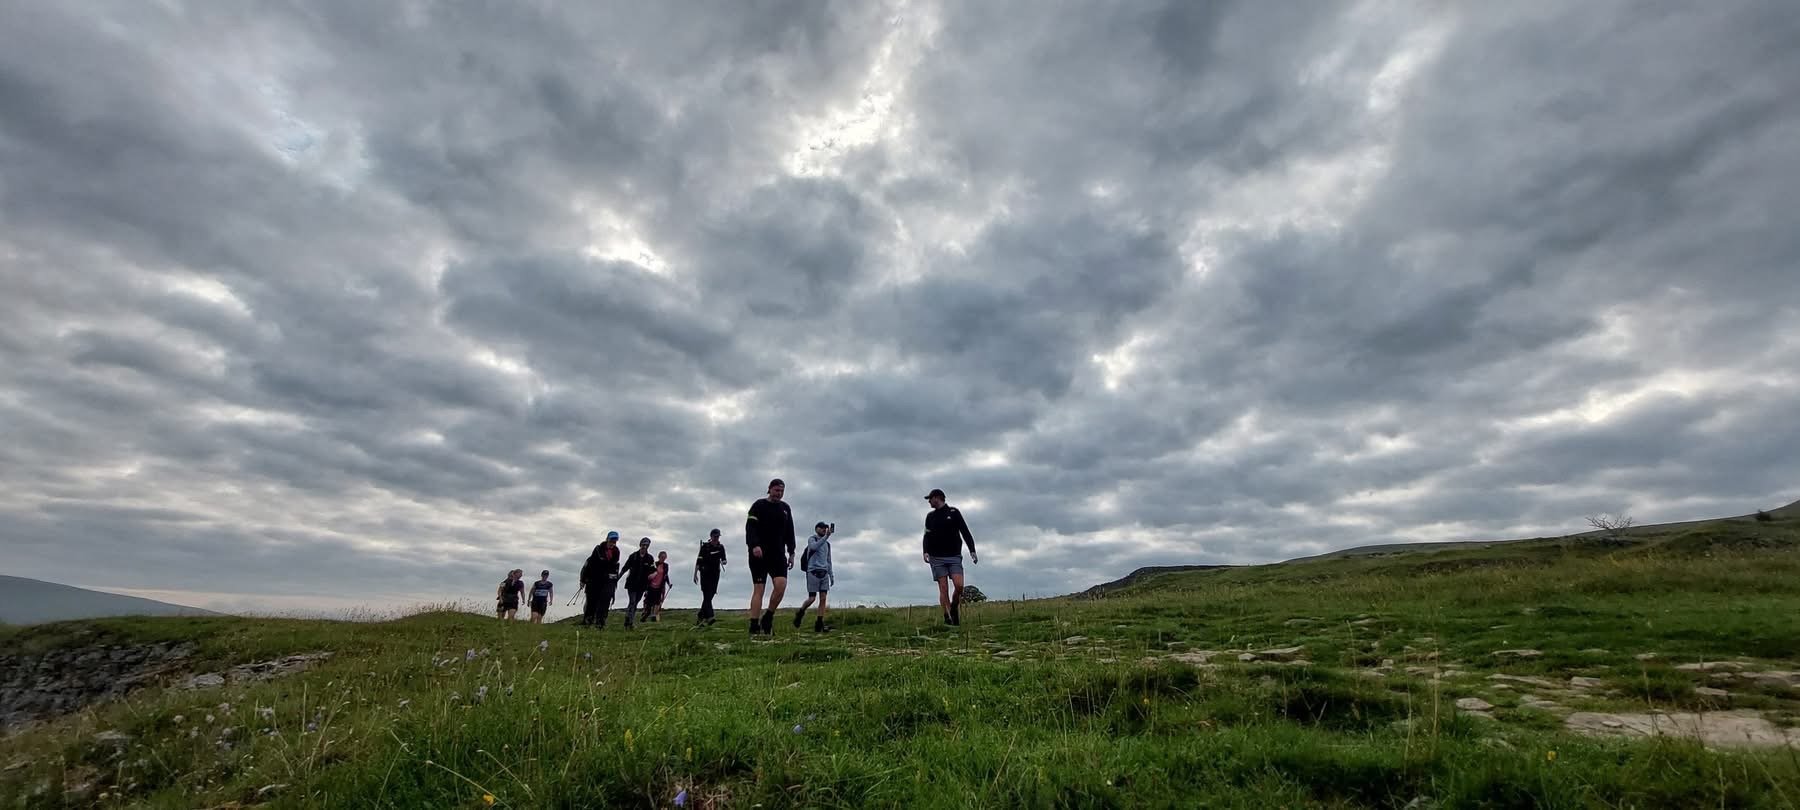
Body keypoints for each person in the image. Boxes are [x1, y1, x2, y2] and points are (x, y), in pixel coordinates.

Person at [745, 478, 796, 636]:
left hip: (778, 554)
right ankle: (754, 626)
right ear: (770, 489)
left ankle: (768, 617)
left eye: (782, 491)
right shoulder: (758, 505)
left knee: (781, 585)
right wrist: (754, 545)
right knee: (759, 589)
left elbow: (790, 531)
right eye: (776, 490)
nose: (779, 494)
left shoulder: (785, 508)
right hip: (759, 554)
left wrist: (792, 552)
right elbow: (750, 528)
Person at [922, 488, 978, 625]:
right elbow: (926, 536)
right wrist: (925, 551)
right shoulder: (930, 516)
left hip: (954, 555)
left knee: (959, 586)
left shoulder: (954, 512)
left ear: (937, 498)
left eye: (930, 499)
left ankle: (953, 607)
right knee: (943, 588)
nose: (929, 502)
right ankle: (948, 617)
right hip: (936, 557)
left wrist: (972, 550)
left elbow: (965, 531)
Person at [793, 521, 835, 633]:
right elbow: (814, 547)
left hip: (824, 572)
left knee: (823, 598)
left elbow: (828, 560)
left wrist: (831, 575)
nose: (824, 530)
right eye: (821, 528)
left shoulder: (827, 544)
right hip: (813, 572)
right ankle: (800, 612)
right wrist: (826, 537)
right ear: (816, 529)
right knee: (812, 598)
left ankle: (819, 624)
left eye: (825, 528)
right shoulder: (812, 539)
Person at [578, 533, 622, 627]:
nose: (612, 543)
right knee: (591, 602)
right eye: (611, 540)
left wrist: (614, 583)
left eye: (614, 541)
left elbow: (615, 568)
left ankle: (600, 623)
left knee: (605, 602)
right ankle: (588, 621)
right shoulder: (598, 549)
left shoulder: (616, 552)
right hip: (594, 580)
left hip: (608, 582)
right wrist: (583, 580)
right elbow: (588, 566)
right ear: (607, 539)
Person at [693, 528, 728, 626]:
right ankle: (710, 617)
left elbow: (724, 559)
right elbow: (698, 561)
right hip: (705, 573)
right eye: (715, 536)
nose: (716, 538)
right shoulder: (705, 547)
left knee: (710, 595)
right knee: (706, 594)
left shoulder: (721, 547)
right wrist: (695, 574)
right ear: (711, 536)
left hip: (715, 574)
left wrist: (724, 562)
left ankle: (700, 617)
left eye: (718, 537)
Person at [620, 538, 656, 629]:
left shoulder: (650, 558)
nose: (644, 547)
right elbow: (625, 568)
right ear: (640, 545)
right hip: (631, 584)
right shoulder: (633, 556)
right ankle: (629, 622)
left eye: (646, 545)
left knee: (635, 603)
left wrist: (653, 574)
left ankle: (628, 619)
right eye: (643, 545)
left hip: (642, 585)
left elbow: (654, 570)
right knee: (632, 602)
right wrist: (618, 577)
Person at [644, 551, 672, 623]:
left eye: (664, 557)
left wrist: (669, 583)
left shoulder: (666, 566)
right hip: (651, 586)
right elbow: (649, 574)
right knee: (649, 602)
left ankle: (654, 616)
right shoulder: (654, 564)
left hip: (660, 586)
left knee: (657, 602)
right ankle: (646, 613)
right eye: (662, 557)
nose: (663, 559)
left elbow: (666, 575)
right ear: (659, 557)